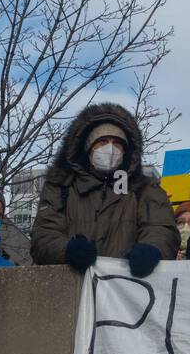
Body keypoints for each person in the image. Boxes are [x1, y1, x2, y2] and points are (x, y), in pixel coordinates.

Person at [30, 103, 179, 276]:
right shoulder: (60, 187)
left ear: (126, 151)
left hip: (125, 291)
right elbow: (44, 235)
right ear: (88, 147)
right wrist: (67, 250)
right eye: (102, 141)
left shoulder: (145, 190)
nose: (110, 148)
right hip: (71, 289)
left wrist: (152, 249)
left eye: (117, 143)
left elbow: (161, 229)